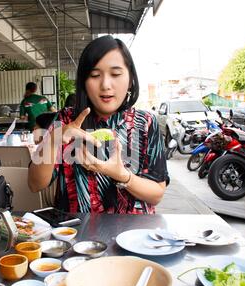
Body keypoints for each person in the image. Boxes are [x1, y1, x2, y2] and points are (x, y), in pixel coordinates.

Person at [28, 35, 169, 214]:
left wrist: (122, 175)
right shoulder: (66, 120)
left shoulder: (145, 123)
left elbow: (157, 194)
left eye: (116, 74)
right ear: (84, 83)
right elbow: (34, 184)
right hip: (76, 234)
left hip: (133, 237)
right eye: (95, 75)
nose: (105, 85)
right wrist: (53, 139)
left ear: (131, 79)